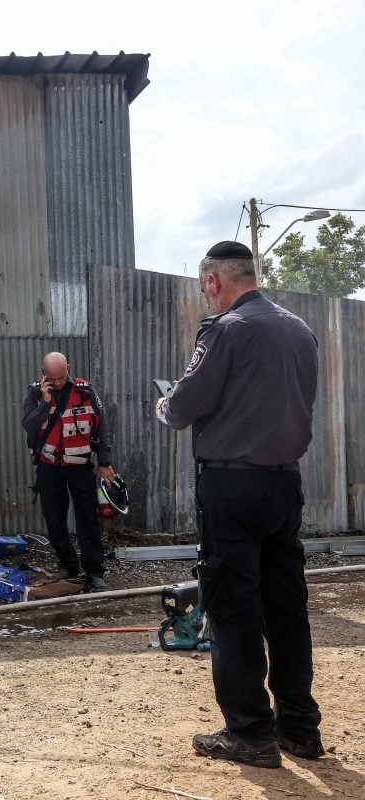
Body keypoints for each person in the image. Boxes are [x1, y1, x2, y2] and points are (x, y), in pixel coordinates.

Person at [156, 240, 322, 768]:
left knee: (232, 608)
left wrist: (164, 403)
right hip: (284, 485)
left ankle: (249, 734)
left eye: (204, 285)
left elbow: (184, 405)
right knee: (286, 608)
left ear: (213, 281)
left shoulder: (224, 329)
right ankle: (299, 728)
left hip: (231, 489)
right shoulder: (300, 329)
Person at [21, 352, 117, 592]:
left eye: (62, 377)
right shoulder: (34, 393)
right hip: (49, 467)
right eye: (52, 379)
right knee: (55, 519)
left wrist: (104, 461)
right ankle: (68, 564)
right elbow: (29, 426)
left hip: (80, 466)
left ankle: (94, 571)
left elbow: (102, 425)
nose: (58, 383)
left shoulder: (85, 391)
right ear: (44, 375)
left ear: (68, 369)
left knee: (88, 520)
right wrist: (45, 401)